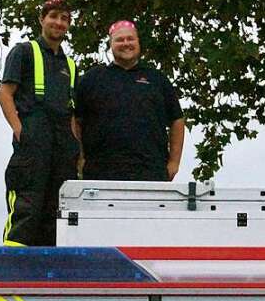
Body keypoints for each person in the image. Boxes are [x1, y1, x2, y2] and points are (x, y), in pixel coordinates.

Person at [0, 0, 80, 246]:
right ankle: (11, 274)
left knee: (56, 215)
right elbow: (5, 95)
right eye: (53, 16)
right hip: (33, 146)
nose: (58, 22)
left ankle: (45, 278)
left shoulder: (70, 65)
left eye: (64, 18)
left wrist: (78, 151)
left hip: (62, 149)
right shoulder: (24, 52)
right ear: (42, 19)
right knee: (26, 210)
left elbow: (73, 113)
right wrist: (20, 130)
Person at [74, 20, 185, 182]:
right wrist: (81, 158)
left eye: (130, 39)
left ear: (138, 42)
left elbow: (177, 120)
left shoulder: (157, 79)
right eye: (119, 40)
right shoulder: (91, 79)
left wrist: (174, 162)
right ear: (110, 45)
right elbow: (75, 120)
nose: (126, 43)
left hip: (151, 172)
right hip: (101, 173)